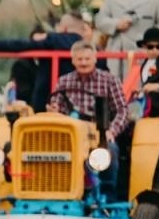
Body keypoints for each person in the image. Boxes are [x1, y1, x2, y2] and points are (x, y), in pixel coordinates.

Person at [48, 41, 129, 188]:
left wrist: (111, 131)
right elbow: (57, 109)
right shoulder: (64, 81)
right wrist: (53, 111)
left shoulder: (109, 80)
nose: (83, 63)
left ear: (95, 59)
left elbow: (123, 111)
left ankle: (108, 194)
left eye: (87, 59)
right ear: (73, 60)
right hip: (70, 134)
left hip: (98, 133)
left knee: (109, 151)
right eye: (79, 59)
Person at [0, 12, 87, 111]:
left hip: (46, 108)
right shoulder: (95, 52)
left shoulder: (55, 40)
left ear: (64, 28)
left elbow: (21, 45)